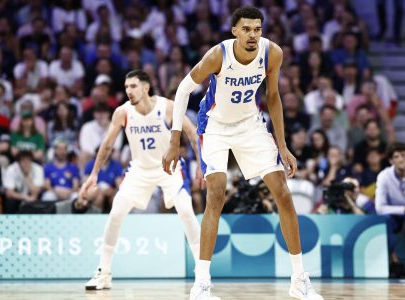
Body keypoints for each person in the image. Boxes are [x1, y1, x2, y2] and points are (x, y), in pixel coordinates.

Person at [163, 6, 323, 300]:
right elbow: (183, 90)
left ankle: (300, 279)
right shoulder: (217, 55)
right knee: (216, 194)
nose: (252, 35)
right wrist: (175, 141)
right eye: (246, 29)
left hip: (250, 124)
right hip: (215, 126)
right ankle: (201, 284)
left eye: (257, 29)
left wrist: (282, 145)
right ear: (234, 30)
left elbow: (273, 97)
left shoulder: (272, 53)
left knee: (283, 193)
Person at [81, 70, 202, 291]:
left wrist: (201, 166)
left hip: (169, 167)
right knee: (116, 213)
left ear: (146, 87)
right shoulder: (122, 112)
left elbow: (193, 134)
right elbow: (107, 145)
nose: (129, 91)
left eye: (133, 86)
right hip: (139, 168)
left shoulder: (167, 107)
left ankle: (202, 274)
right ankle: (103, 273)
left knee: (185, 210)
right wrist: (93, 174)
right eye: (127, 87)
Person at [375, 142, 405, 276]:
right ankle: (393, 261)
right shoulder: (384, 176)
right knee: (383, 220)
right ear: (391, 161)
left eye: (403, 155)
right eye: (396, 157)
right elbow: (380, 207)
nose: (401, 159)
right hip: (396, 213)